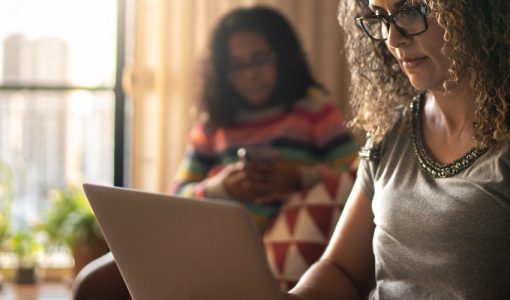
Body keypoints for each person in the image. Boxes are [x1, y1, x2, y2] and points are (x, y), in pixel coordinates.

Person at [286, 0, 510, 299]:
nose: (393, 38)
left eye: (411, 10)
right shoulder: (393, 131)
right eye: (380, 16)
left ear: (474, 11)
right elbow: (342, 270)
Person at [169, 6, 358, 289]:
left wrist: (298, 177)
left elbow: (356, 176)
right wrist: (221, 188)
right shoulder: (213, 124)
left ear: (282, 56)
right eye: (237, 66)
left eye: (260, 60)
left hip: (286, 264)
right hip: (217, 257)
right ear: (223, 72)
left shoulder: (313, 109)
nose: (250, 75)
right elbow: (175, 197)